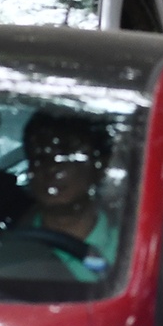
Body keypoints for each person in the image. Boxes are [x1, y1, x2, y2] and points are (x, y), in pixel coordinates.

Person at [16, 112, 119, 282]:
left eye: (66, 156)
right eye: (40, 157)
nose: (51, 168)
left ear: (99, 166)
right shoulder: (9, 247)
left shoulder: (132, 248)